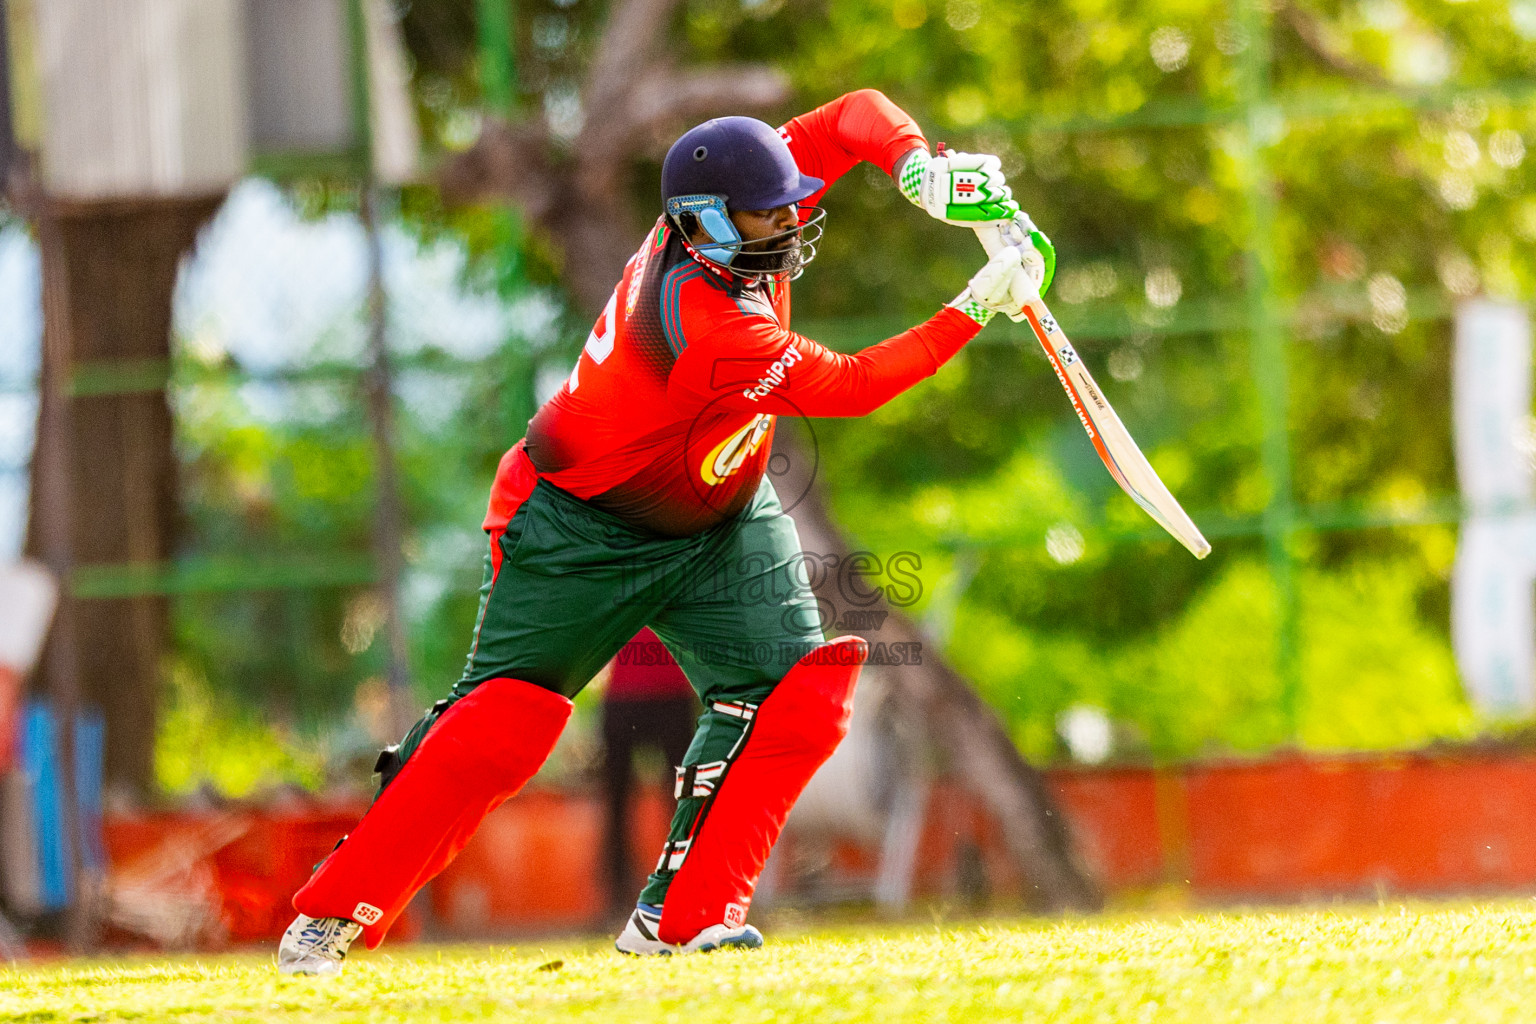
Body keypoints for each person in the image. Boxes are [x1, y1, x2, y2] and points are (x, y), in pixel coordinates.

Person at [277, 88, 1051, 975]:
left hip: (721, 516)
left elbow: (852, 117)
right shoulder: (710, 323)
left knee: (796, 692)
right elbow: (851, 387)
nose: (789, 219)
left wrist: (922, 168)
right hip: (577, 527)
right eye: (767, 212)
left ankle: (683, 917)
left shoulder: (733, 217)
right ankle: (334, 911)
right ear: (706, 223)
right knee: (502, 728)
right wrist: (975, 307)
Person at [598, 628, 698, 920]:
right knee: (616, 802)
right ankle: (616, 897)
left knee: (685, 798)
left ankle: (689, 889)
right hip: (623, 694)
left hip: (672, 694)